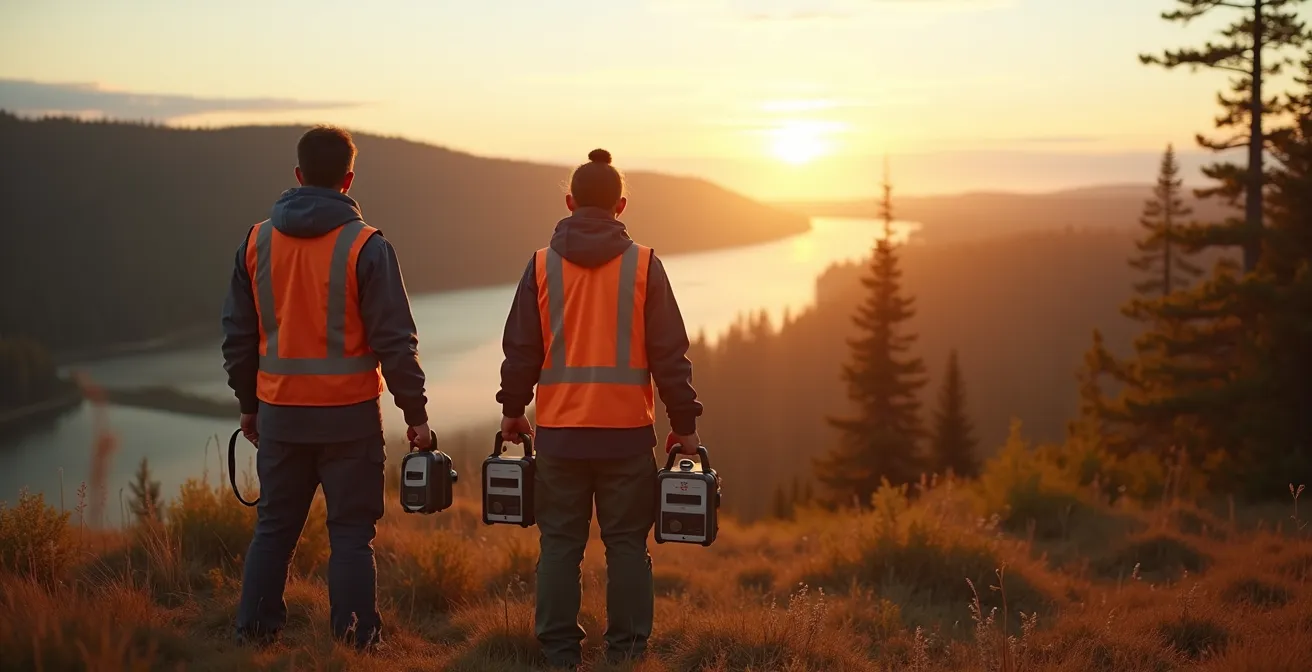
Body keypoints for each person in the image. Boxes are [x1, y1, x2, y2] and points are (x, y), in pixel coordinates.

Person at [221, 125, 430, 650]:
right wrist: (416, 414)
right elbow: (395, 341)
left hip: (280, 415)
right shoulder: (366, 246)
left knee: (273, 530)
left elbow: (238, 338)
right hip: (350, 418)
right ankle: (357, 644)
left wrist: (250, 407)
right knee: (351, 537)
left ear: (297, 175)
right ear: (348, 179)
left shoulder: (257, 241)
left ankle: (252, 634)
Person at [497, 148, 704, 669]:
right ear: (622, 205)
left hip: (561, 437)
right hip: (627, 436)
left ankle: (561, 654)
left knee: (561, 546)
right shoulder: (644, 265)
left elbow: (521, 350)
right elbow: (670, 356)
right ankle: (627, 654)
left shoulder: (541, 265)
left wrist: (514, 409)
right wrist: (685, 427)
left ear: (570, 203)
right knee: (627, 548)